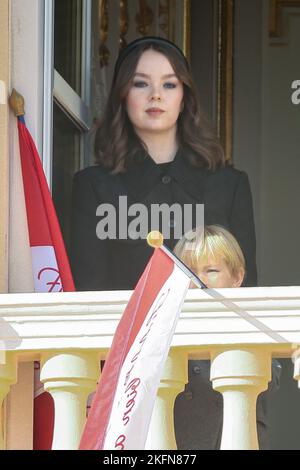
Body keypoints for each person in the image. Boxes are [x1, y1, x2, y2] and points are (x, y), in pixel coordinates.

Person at [70, 36, 257, 292]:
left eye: (169, 84)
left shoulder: (229, 184)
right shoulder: (92, 186)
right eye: (140, 83)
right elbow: (88, 296)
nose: (156, 95)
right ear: (123, 96)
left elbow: (247, 291)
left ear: (184, 98)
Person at [173, 225, 281, 450]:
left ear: (237, 277)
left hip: (236, 435)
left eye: (211, 270)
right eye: (189, 272)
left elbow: (273, 378)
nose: (198, 280)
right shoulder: (168, 323)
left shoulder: (250, 320)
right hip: (180, 441)